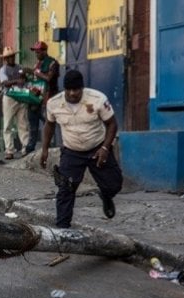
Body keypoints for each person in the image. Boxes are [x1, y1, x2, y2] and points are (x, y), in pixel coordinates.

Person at [40, 69, 123, 228]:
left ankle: (106, 196)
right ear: (64, 89)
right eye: (69, 90)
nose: (72, 93)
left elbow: (112, 124)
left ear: (82, 88)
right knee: (65, 190)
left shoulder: (98, 99)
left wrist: (105, 148)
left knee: (114, 184)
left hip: (97, 148)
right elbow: (49, 125)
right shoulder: (53, 103)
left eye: (76, 90)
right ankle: (62, 230)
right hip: (72, 151)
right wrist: (45, 149)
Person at [27, 41, 60, 153]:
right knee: (33, 122)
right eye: (35, 51)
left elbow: (49, 78)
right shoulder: (37, 64)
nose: (36, 53)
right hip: (36, 97)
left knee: (49, 122)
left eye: (38, 51)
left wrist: (37, 73)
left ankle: (52, 146)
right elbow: (34, 78)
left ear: (45, 51)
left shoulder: (53, 63)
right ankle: (30, 148)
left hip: (49, 97)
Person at [0, 47, 28, 159]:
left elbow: (25, 79)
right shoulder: (3, 70)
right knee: (7, 124)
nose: (11, 58)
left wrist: (24, 75)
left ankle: (25, 148)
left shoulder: (20, 67)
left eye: (12, 56)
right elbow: (5, 83)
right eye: (9, 57)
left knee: (23, 123)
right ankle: (9, 150)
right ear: (5, 59)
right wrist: (17, 81)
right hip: (9, 97)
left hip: (21, 96)